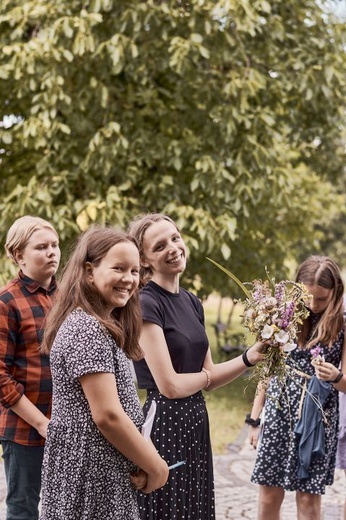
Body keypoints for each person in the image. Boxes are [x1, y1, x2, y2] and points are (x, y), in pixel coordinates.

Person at [127, 212, 265, 520]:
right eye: (160, 246)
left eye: (175, 238)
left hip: (195, 418)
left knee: (193, 508)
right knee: (167, 509)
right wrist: (204, 378)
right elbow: (170, 386)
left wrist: (248, 357)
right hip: (164, 420)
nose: (173, 248)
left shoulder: (192, 302)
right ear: (145, 260)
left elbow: (211, 378)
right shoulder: (146, 303)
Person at [39, 225, 168, 520]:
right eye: (119, 268)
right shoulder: (86, 327)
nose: (129, 279)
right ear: (88, 271)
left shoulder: (101, 325)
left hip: (104, 472)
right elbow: (107, 416)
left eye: (135, 271)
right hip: (90, 478)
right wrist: (156, 466)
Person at [248, 255, 346, 520]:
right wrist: (255, 418)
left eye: (322, 299)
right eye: (307, 297)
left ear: (336, 291)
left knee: (307, 501)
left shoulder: (342, 323)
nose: (313, 305)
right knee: (268, 496)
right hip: (280, 411)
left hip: (317, 421)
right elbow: (268, 368)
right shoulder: (284, 315)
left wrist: (336, 376)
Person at [0, 215, 60, 520]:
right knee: (23, 509)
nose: (51, 252)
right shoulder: (7, 302)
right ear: (19, 256)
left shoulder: (68, 298)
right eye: (41, 247)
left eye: (54, 245)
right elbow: (0, 376)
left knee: (65, 506)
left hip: (68, 426)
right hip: (25, 430)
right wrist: (40, 423)